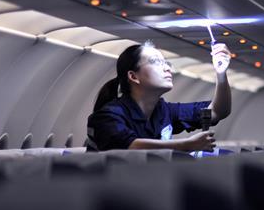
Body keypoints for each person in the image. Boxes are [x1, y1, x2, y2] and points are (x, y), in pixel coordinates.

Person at [87, 40, 232, 151]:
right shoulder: (106, 116)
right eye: (156, 62)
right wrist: (187, 145)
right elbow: (130, 147)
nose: (167, 68)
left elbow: (217, 111)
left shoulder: (163, 111)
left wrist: (221, 74)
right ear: (133, 76)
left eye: (166, 63)